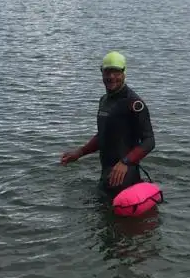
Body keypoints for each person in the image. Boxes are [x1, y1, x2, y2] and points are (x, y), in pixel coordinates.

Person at [60, 51, 156, 196]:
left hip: (125, 176)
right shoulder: (104, 100)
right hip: (106, 173)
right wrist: (79, 152)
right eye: (107, 72)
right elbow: (103, 135)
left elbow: (149, 141)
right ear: (102, 73)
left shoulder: (134, 103)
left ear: (124, 73)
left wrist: (125, 162)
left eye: (116, 72)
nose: (111, 77)